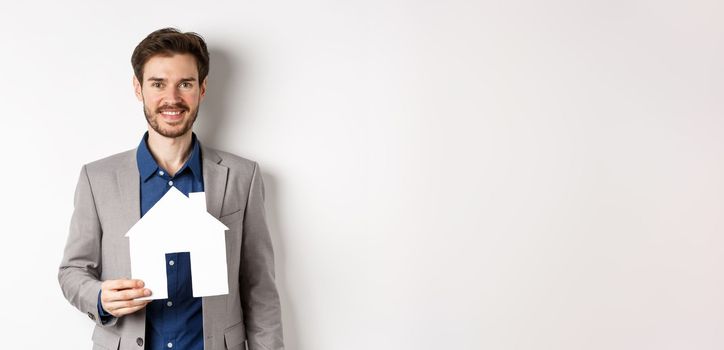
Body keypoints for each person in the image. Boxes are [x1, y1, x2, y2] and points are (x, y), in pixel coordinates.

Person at [58, 28, 284, 350]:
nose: (172, 98)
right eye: (158, 84)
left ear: (202, 89)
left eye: (185, 84)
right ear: (139, 89)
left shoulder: (241, 177)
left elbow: (259, 287)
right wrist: (99, 298)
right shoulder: (98, 179)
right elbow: (72, 271)